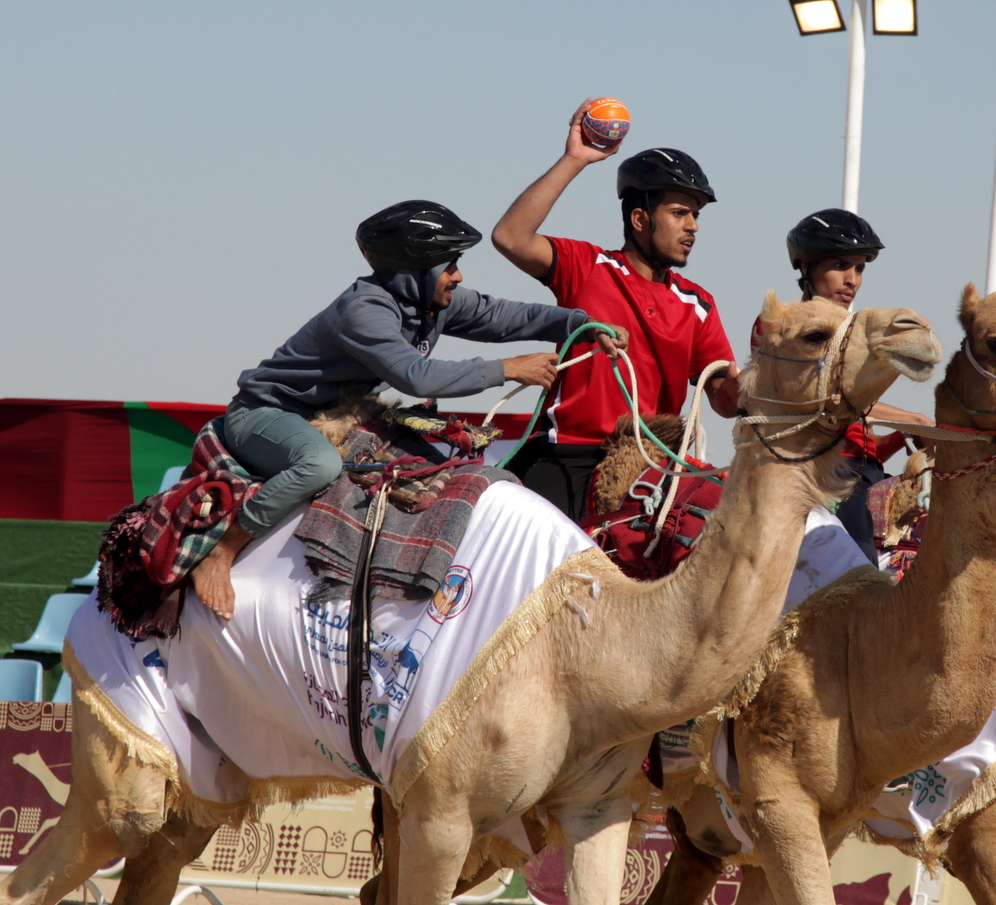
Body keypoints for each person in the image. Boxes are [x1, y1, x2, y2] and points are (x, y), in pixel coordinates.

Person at [190, 199, 624, 619]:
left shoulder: (429, 304)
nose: (457, 276)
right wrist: (508, 369)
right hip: (268, 414)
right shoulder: (363, 310)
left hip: (345, 415)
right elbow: (415, 376)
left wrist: (581, 324)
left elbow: (501, 316)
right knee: (319, 465)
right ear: (414, 271)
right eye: (449, 265)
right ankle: (222, 552)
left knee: (445, 476)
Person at [491, 101, 740, 519]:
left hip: (649, 467)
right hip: (566, 455)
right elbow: (510, 237)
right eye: (679, 213)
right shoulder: (587, 267)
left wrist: (759, 379)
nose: (693, 226)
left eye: (696, 215)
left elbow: (725, 401)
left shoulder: (698, 304)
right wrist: (575, 159)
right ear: (640, 219)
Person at [773, 208, 932, 560]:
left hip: (860, 471)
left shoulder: (855, 331)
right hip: (820, 468)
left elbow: (858, 431)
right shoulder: (783, 325)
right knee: (861, 566)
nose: (853, 280)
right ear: (806, 267)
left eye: (859, 268)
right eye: (841, 265)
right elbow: (828, 399)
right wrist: (916, 421)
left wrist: (907, 441)